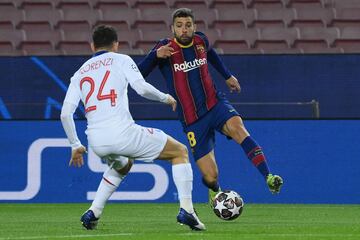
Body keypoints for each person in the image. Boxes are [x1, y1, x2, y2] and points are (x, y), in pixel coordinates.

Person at [60, 25, 205, 231]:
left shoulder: (79, 73)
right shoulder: (121, 59)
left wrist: (75, 144)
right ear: (116, 45)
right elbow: (141, 88)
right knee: (179, 152)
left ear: (92, 46)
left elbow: (65, 113)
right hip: (123, 134)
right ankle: (187, 211)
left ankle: (93, 212)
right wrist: (166, 97)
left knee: (123, 164)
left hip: (96, 141)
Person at [138, 8, 284, 205]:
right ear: (172, 28)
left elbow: (211, 54)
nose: (184, 30)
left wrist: (227, 75)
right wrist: (155, 55)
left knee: (238, 127)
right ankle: (214, 189)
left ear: (194, 27)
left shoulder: (201, 41)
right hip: (192, 120)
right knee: (211, 175)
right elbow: (138, 75)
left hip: (215, 104)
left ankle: (268, 176)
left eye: (188, 25)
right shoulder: (165, 48)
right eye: (179, 26)